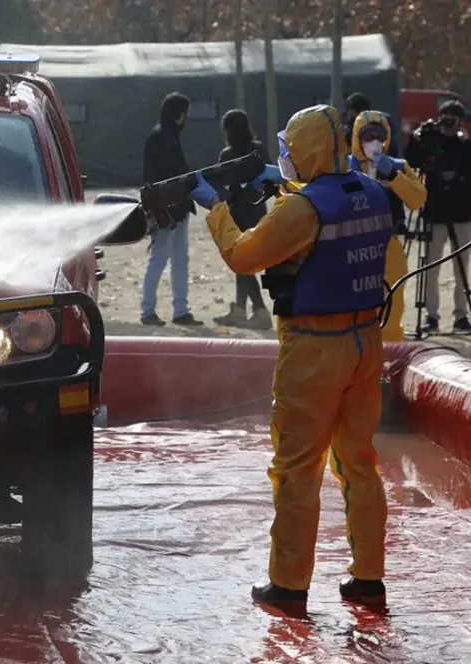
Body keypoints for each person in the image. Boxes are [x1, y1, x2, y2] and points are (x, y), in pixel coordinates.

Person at [186, 104, 392, 608]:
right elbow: (327, 222)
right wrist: (285, 190)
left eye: (290, 149)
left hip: (314, 351)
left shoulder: (302, 210)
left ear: (307, 150)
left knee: (297, 469)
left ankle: (288, 585)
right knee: (359, 464)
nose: (285, 156)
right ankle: (368, 578)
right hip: (366, 344)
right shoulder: (371, 192)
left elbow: (245, 254)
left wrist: (214, 207)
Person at [348, 110, 428, 342]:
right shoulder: (343, 168)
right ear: (356, 138)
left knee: (392, 304)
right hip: (351, 247)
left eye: (379, 136)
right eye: (367, 136)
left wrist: (392, 175)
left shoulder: (399, 167)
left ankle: (390, 353)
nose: (373, 142)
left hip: (388, 246)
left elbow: (418, 199)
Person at [404, 100, 471, 334]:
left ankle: (461, 317)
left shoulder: (465, 146)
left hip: (462, 214)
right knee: (431, 268)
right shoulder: (430, 141)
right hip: (435, 214)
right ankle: (431, 315)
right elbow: (411, 161)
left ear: (461, 122)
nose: (448, 125)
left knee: (462, 268)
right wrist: (417, 137)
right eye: (445, 118)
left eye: (453, 120)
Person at [140, 92, 202, 327]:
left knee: (179, 259)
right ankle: (148, 311)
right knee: (160, 258)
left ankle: (181, 311)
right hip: (165, 211)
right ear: (179, 115)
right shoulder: (164, 138)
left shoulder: (162, 135)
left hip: (175, 209)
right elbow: (178, 174)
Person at [211, 109, 273, 330]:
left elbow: (220, 184)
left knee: (241, 264)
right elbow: (270, 177)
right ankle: (239, 309)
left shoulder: (227, 155)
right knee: (244, 262)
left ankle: (259, 310)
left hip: (237, 214)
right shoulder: (259, 150)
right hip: (259, 213)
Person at [345, 92, 400, 158]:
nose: (348, 112)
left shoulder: (361, 123)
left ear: (361, 110)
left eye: (350, 109)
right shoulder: (383, 118)